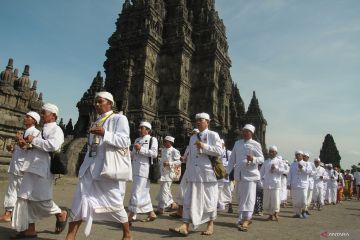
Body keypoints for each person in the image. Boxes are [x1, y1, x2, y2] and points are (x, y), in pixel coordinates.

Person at [65, 92, 132, 240]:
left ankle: (127, 234)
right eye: (95, 102)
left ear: (110, 103)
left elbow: (125, 142)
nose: (96, 104)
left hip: (106, 169)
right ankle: (70, 236)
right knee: (80, 201)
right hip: (89, 167)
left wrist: (105, 133)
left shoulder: (119, 119)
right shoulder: (96, 121)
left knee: (114, 201)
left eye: (100, 102)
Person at [11, 103, 68, 238]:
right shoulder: (41, 130)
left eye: (44, 113)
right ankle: (29, 229)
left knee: (42, 200)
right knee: (24, 198)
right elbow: (33, 147)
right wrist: (24, 143)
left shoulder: (56, 130)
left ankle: (60, 213)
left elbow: (53, 146)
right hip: (31, 166)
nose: (42, 115)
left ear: (53, 115)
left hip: (44, 168)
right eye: (41, 113)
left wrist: (34, 141)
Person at [169, 113, 222, 236]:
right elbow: (192, 157)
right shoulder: (193, 138)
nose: (198, 122)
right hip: (193, 174)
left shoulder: (213, 135)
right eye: (196, 120)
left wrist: (204, 146)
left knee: (208, 201)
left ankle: (210, 225)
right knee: (189, 200)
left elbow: (219, 151)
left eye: (201, 120)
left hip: (207, 174)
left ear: (207, 122)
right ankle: (185, 225)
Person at [0, 112, 40, 223]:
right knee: (12, 190)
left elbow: (29, 148)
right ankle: (9, 213)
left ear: (34, 121)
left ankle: (14, 214)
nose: (25, 118)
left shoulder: (35, 133)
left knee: (20, 192)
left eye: (28, 117)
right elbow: (20, 149)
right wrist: (12, 149)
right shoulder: (23, 132)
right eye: (26, 116)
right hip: (16, 164)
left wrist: (20, 140)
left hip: (23, 166)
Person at [227, 124, 264, 231]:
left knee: (248, 198)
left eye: (247, 131)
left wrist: (253, 159)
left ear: (251, 133)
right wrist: (227, 172)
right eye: (244, 131)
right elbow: (232, 159)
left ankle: (246, 219)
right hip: (239, 175)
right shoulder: (237, 143)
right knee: (240, 198)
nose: (245, 133)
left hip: (250, 175)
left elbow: (261, 159)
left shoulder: (256, 144)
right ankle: (242, 218)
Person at [128, 121, 158, 223]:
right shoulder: (136, 139)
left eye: (142, 128)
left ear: (148, 130)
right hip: (135, 168)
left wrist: (141, 149)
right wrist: (126, 152)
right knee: (144, 193)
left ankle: (131, 215)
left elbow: (154, 154)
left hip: (145, 170)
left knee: (137, 192)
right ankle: (151, 213)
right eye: (139, 128)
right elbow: (133, 155)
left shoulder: (152, 139)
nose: (139, 130)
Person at [170, 128, 199, 219]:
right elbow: (186, 159)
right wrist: (183, 159)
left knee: (194, 193)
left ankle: (192, 213)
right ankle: (180, 211)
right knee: (182, 190)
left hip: (196, 172)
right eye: (192, 134)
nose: (192, 136)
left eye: (195, 134)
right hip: (188, 171)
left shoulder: (200, 146)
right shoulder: (188, 147)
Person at [156, 136, 181, 215]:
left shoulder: (174, 151)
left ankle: (161, 208)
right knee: (164, 190)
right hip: (162, 173)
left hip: (169, 174)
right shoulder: (163, 150)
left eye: (165, 141)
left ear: (170, 142)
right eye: (164, 141)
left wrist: (169, 163)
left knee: (165, 191)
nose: (164, 143)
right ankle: (173, 204)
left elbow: (179, 162)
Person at [260, 146, 286, 221]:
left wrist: (276, 169)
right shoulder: (266, 162)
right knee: (267, 201)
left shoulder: (279, 161)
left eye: (273, 151)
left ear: (276, 153)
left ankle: (276, 213)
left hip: (275, 184)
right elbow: (261, 173)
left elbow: (283, 171)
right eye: (270, 151)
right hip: (267, 184)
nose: (271, 153)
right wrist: (261, 182)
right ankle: (270, 214)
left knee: (276, 200)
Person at [287, 150, 312, 219]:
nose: (298, 156)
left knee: (304, 199)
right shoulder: (292, 164)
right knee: (295, 200)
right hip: (295, 184)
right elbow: (289, 174)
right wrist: (288, 183)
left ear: (302, 156)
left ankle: (304, 211)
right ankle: (297, 213)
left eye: (299, 155)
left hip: (303, 185)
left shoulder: (306, 164)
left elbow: (310, 172)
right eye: (297, 155)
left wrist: (302, 168)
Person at [217, 139, 233, 212]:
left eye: (221, 144)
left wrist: (228, 171)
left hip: (226, 174)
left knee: (227, 190)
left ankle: (230, 204)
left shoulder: (228, 153)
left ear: (223, 144)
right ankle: (220, 205)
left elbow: (233, 163)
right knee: (218, 190)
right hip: (219, 174)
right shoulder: (217, 152)